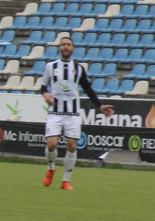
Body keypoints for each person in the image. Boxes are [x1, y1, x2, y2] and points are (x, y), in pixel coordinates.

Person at [41, 37, 114, 190]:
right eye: (63, 45)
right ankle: (51, 168)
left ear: (73, 49)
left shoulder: (79, 69)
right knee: (51, 144)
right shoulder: (50, 67)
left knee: (72, 146)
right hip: (55, 112)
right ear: (59, 48)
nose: (66, 47)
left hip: (72, 113)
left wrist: (100, 106)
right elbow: (42, 87)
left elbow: (88, 89)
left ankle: (65, 181)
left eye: (68, 45)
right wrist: (45, 95)